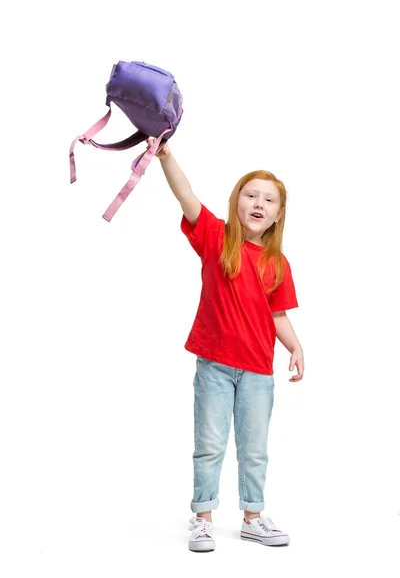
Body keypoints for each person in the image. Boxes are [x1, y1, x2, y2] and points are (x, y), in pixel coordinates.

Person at [146, 138, 304, 552]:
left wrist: (296, 347)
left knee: (254, 449)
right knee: (210, 444)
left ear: (278, 215)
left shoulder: (277, 263)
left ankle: (253, 517)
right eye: (250, 194)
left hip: (257, 372)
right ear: (236, 201)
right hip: (214, 366)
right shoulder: (216, 237)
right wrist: (165, 156)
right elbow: (186, 195)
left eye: (268, 200)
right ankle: (203, 518)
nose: (258, 203)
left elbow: (278, 314)